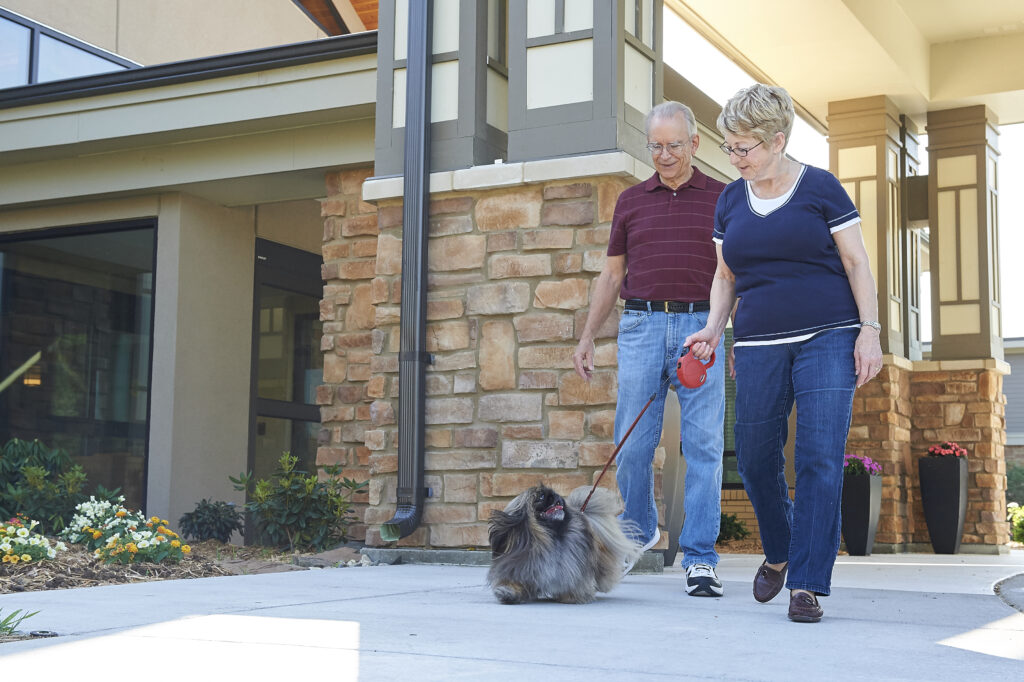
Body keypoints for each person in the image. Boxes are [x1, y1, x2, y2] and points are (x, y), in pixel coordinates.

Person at [684, 84, 883, 622]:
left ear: (777, 139)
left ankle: (808, 585)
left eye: (742, 148)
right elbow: (726, 276)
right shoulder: (731, 198)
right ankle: (779, 550)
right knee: (753, 455)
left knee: (819, 455)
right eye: (728, 147)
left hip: (829, 335)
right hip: (756, 342)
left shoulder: (820, 188)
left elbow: (857, 263)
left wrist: (870, 330)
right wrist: (711, 329)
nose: (733, 158)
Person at [572, 101, 727, 597]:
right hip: (640, 324)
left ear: (695, 144)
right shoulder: (631, 201)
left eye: (673, 146)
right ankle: (639, 536)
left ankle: (700, 558)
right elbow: (613, 274)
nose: (663, 155)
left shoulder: (723, 199)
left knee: (703, 446)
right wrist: (587, 335)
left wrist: (719, 326)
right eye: (655, 146)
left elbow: (732, 274)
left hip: (700, 330)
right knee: (633, 444)